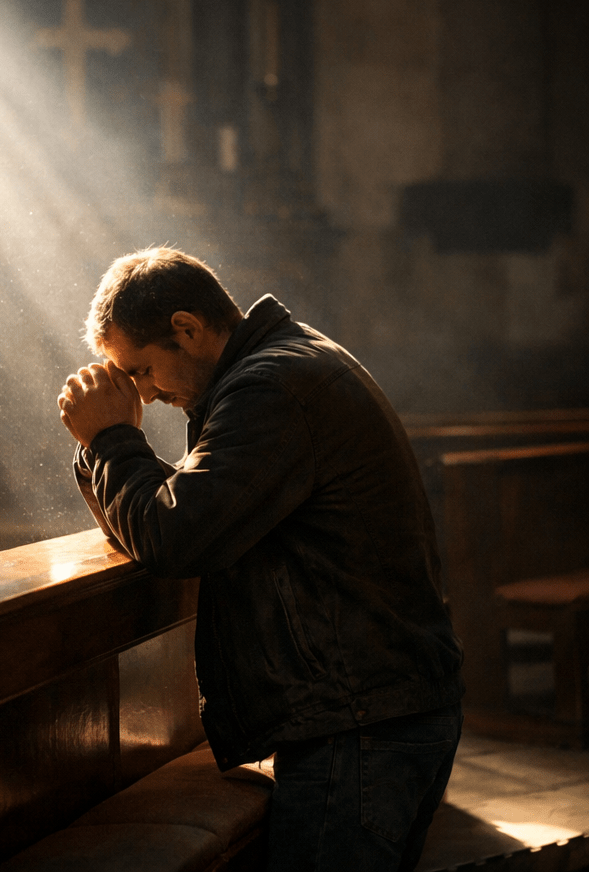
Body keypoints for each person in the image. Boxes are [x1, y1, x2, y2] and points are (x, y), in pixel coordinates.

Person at [57, 247, 464, 872]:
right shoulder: (281, 366)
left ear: (187, 329)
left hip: (357, 724)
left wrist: (111, 437)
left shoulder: (269, 387)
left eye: (140, 371)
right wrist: (101, 452)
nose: (145, 393)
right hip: (372, 709)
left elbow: (176, 536)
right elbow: (197, 512)